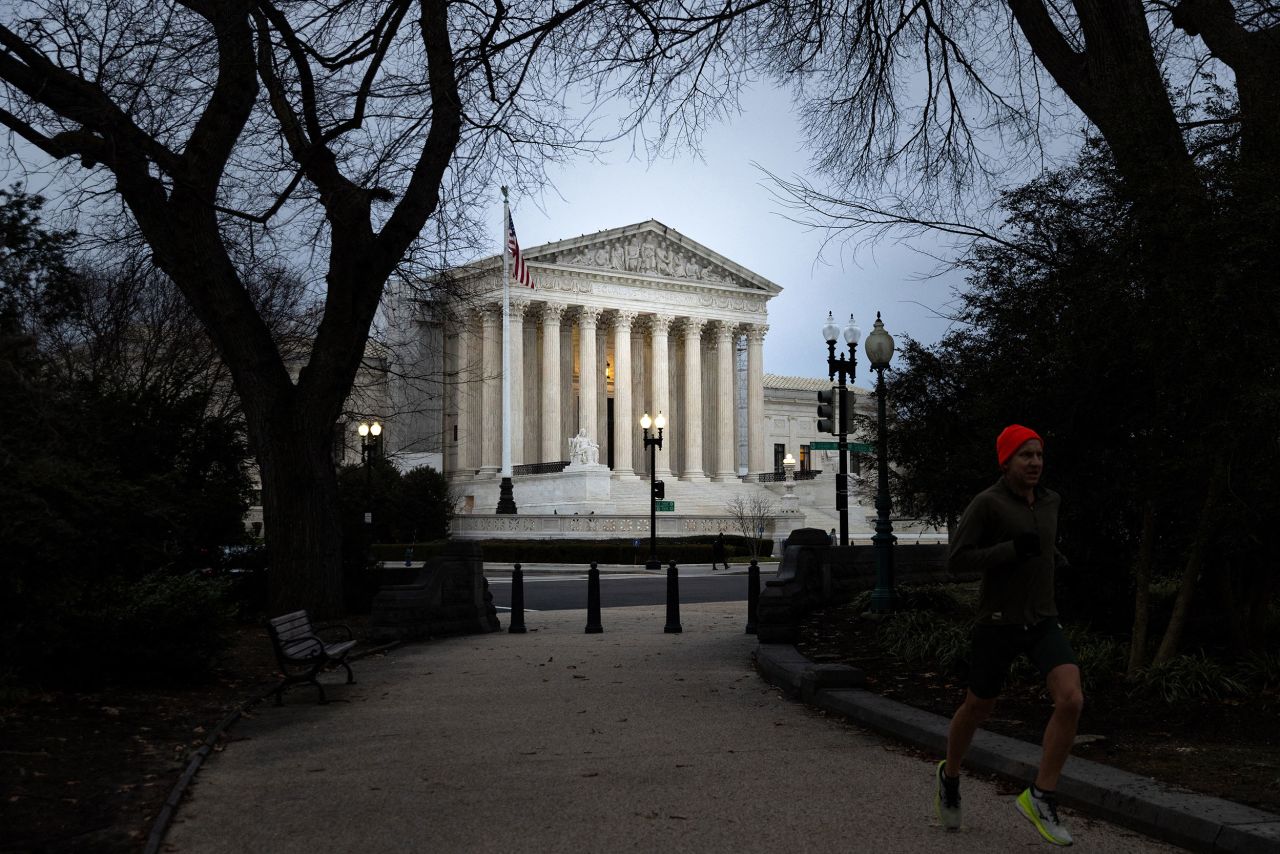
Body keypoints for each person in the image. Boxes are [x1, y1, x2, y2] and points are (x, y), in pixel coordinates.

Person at [935, 424, 1082, 846]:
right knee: (978, 707)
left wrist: (1057, 559)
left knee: (1071, 698)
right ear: (1007, 461)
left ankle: (1041, 795)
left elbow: (1042, 543)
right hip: (998, 622)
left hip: (1041, 619)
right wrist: (1010, 551)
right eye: (1025, 455)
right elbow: (957, 560)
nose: (1035, 462)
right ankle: (950, 775)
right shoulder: (987, 504)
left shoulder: (1051, 501)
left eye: (1038, 455)